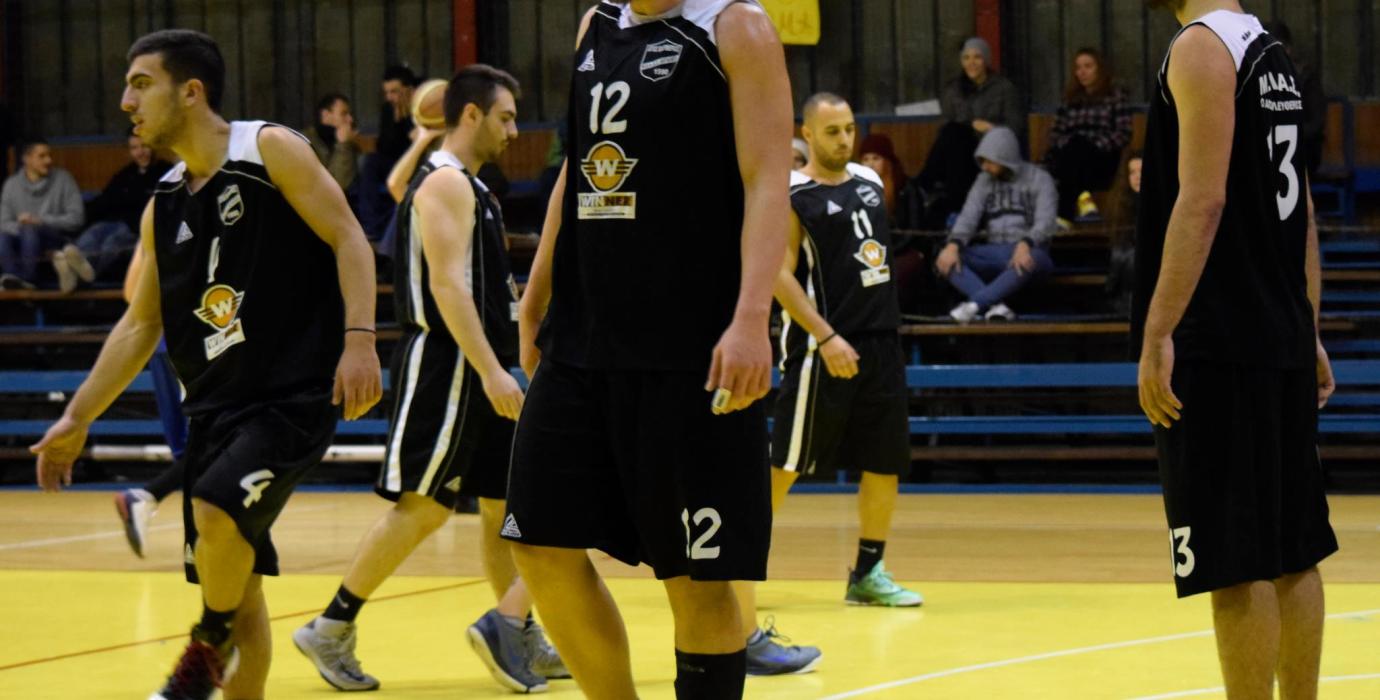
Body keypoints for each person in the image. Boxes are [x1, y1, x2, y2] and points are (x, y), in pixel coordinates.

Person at [30, 29, 382, 700]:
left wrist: (359, 338)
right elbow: (140, 324)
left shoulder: (268, 148)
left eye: (141, 84)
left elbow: (348, 237)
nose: (126, 101)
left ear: (190, 91)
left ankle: (204, 642)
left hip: (289, 398)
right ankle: (222, 638)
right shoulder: (163, 203)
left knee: (216, 507)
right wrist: (77, 417)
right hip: (214, 410)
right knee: (244, 593)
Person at [508, 1, 792, 697]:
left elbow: (767, 180)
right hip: (583, 337)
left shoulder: (735, 27)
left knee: (697, 580)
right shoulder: (596, 23)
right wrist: (536, 290)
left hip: (691, 347)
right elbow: (577, 169)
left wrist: (751, 317)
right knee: (538, 542)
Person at [292, 64, 567, 695]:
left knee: (503, 509)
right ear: (470, 115)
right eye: (505, 117)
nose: (514, 131)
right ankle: (331, 627)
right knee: (422, 507)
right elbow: (447, 287)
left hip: (481, 362)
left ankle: (517, 633)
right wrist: (491, 370)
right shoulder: (444, 183)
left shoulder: (469, 185)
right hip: (449, 364)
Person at [1135, 2, 1338, 698]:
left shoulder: (1201, 47)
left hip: (1221, 342)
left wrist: (1158, 331)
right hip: (1278, 334)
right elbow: (1302, 209)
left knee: (1235, 562)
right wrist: (1308, 326)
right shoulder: (1270, 52)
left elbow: (1203, 201)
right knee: (1295, 551)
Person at [737, 91, 924, 675]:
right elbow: (777, 273)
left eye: (849, 129)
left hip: (880, 342)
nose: (845, 140)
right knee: (786, 462)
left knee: (885, 460)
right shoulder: (792, 195)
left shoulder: (869, 180)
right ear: (807, 134)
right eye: (832, 132)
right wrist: (825, 334)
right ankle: (735, 567)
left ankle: (868, 572)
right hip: (824, 349)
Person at [114, 243, 190, 559]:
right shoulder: (195, 218)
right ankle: (146, 496)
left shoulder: (156, 220)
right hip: (189, 343)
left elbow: (131, 291)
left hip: (158, 345)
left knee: (192, 449)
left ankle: (196, 544)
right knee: (215, 443)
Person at [936, 126, 1057, 322]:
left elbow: (1046, 221)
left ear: (1005, 157)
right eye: (982, 161)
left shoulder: (1040, 179)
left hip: (1031, 252)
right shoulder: (983, 180)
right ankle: (996, 307)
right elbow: (968, 217)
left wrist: (1026, 243)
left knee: (1032, 258)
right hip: (994, 251)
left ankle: (975, 305)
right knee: (946, 259)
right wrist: (953, 245)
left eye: (989, 161)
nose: (984, 167)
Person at [913, 37, 1024, 230]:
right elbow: (945, 126)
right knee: (953, 133)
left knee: (954, 134)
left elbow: (1016, 128)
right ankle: (932, 191)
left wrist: (991, 129)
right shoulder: (953, 90)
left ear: (986, 60)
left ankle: (924, 183)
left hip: (990, 153)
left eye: (977, 57)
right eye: (966, 58)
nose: (971, 63)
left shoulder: (1004, 89)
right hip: (959, 152)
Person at [58, 128, 174, 292]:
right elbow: (105, 200)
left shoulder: (167, 172)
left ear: (153, 146)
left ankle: (81, 277)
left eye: (144, 146)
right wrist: (82, 215)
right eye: (134, 148)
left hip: (139, 228)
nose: (140, 152)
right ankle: (71, 269)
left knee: (112, 242)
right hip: (114, 222)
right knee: (91, 235)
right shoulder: (125, 174)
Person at [1042, 48, 1132, 222]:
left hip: (1101, 157)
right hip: (1069, 155)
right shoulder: (1069, 99)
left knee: (1080, 146)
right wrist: (1069, 144)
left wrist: (1094, 144)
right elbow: (1055, 134)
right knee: (1075, 146)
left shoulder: (1115, 96)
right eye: (1078, 68)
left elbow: (1123, 133)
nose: (1082, 72)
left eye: (1088, 66)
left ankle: (1064, 216)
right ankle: (1083, 198)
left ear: (1100, 69)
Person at [0, 138, 85, 289]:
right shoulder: (11, 185)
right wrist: (22, 225)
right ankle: (13, 278)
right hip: (21, 239)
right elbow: (3, 222)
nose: (48, 160)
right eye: (42, 156)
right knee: (4, 236)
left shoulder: (63, 179)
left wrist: (40, 221)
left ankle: (28, 280)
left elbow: (76, 218)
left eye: (49, 155)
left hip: (56, 240)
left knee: (30, 230)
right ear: (26, 159)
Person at [1262, 21, 1325, 178]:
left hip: (1302, 148)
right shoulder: (1258, 76)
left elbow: (1316, 124)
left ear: (1288, 49)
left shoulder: (1305, 77)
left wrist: (1284, 132)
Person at [1106, 151, 1141, 316]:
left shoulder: (1165, 204)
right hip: (1125, 287)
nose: (1137, 177)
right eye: (1132, 172)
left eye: (1142, 171)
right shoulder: (1121, 207)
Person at [308, 93, 362, 194]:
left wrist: (346, 144)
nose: (350, 119)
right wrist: (343, 145)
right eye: (344, 114)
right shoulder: (307, 142)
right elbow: (335, 185)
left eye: (350, 114)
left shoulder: (348, 140)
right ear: (325, 115)